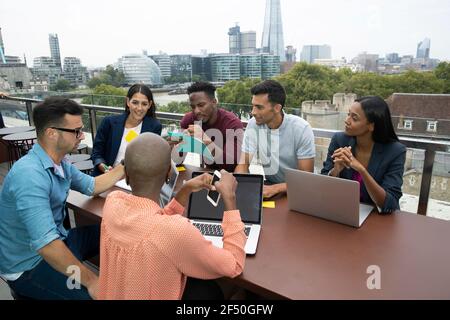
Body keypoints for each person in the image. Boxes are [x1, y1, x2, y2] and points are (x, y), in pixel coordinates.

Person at [0, 97, 125, 300]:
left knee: (115, 232)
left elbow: (92, 186)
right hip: (29, 265)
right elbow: (47, 245)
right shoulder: (29, 175)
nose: (82, 136)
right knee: (89, 295)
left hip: (59, 239)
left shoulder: (59, 162)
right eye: (76, 131)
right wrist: (93, 281)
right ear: (52, 133)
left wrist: (126, 165)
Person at [98, 133, 246, 300]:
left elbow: (151, 223)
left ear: (126, 175)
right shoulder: (175, 231)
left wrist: (185, 190)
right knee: (233, 290)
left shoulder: (113, 202)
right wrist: (230, 199)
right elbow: (234, 265)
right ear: (169, 173)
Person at [321, 96, 406, 213]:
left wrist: (362, 170)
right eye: (348, 114)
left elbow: (390, 203)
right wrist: (335, 171)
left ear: (372, 125)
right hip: (344, 212)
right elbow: (322, 186)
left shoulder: (395, 151)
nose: (347, 120)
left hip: (378, 218)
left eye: (354, 118)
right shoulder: (340, 140)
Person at [235, 80, 316, 198]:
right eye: (253, 106)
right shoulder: (253, 125)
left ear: (277, 108)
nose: (253, 112)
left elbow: (306, 178)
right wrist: (242, 185)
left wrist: (275, 189)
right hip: (271, 189)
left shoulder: (301, 129)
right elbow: (243, 164)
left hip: (298, 192)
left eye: (259, 107)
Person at [91, 84, 162, 176]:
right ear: (128, 102)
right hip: (107, 176)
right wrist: (105, 168)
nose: (139, 108)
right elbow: (96, 153)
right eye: (135, 102)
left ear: (150, 105)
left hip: (135, 179)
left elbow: (151, 159)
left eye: (144, 104)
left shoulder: (154, 127)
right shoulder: (109, 122)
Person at [177, 81, 244, 172]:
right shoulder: (189, 120)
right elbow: (178, 161)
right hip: (208, 172)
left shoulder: (232, 124)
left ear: (214, 102)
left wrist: (205, 139)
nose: (196, 111)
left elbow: (231, 166)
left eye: (201, 105)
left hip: (232, 176)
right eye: (193, 107)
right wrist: (177, 145)